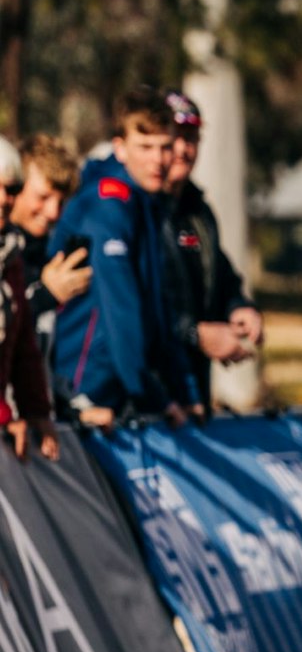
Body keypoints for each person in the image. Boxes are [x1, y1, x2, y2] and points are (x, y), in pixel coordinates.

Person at [49, 88, 197, 427]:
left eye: (165, 146)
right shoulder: (107, 204)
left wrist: (184, 391)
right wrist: (155, 398)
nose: (158, 160)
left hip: (117, 393)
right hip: (81, 394)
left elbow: (158, 310)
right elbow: (122, 313)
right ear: (120, 147)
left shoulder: (147, 202)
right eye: (145, 147)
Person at [162, 92, 264, 408]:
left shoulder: (199, 211)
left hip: (194, 387)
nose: (183, 149)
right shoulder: (136, 213)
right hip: (152, 394)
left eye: (191, 138)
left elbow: (220, 275)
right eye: (175, 137)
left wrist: (238, 308)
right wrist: (195, 334)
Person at [7, 137, 88, 369]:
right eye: (43, 197)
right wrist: (46, 296)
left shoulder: (45, 254)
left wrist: (71, 404)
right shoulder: (7, 255)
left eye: (61, 202)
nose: (53, 213)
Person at [0, 139, 56, 459]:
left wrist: (37, 410)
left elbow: (22, 343)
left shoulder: (11, 255)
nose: (3, 200)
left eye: (11, 189)